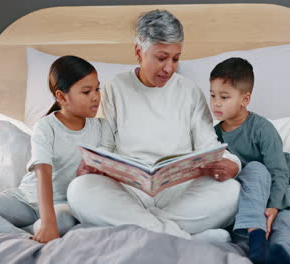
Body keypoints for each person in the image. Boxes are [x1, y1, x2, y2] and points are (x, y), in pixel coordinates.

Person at [67, 9, 241, 242]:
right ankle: (184, 238)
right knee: (79, 189)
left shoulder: (189, 91)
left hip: (180, 192)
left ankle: (143, 229)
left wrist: (233, 165)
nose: (169, 68)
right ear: (138, 52)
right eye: (161, 58)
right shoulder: (114, 88)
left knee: (232, 191)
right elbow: (105, 146)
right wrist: (92, 165)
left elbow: (209, 147)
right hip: (129, 192)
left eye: (176, 58)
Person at [0, 55, 113, 243]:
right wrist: (48, 224)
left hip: (64, 206)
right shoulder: (46, 127)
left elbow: (104, 171)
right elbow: (43, 173)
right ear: (61, 96)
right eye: (86, 91)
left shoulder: (102, 128)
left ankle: (34, 230)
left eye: (97, 89)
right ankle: (23, 238)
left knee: (64, 221)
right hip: (25, 200)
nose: (96, 96)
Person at [209, 57, 290, 264]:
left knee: (288, 218)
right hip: (252, 190)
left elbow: (279, 171)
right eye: (212, 95)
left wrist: (274, 206)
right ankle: (256, 239)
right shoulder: (213, 134)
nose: (216, 103)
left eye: (224, 97)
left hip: (285, 185)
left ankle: (280, 253)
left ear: (245, 100)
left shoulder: (262, 129)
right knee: (253, 170)